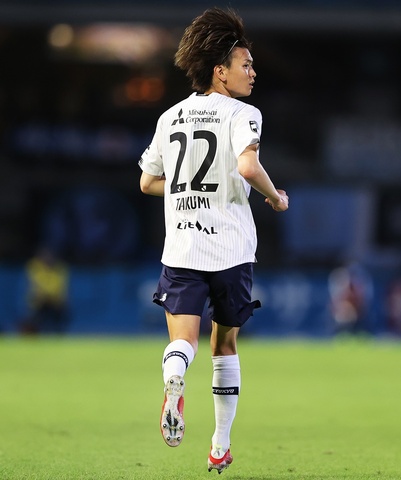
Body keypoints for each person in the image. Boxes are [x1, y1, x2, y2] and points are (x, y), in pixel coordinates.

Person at [138, 7, 289, 474]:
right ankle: (220, 445)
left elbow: (147, 182)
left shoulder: (170, 117)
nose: (253, 72)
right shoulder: (244, 113)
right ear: (221, 71)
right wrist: (275, 197)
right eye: (246, 64)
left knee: (182, 341)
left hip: (183, 246)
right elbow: (247, 167)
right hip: (231, 249)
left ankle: (174, 379)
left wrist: (186, 185)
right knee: (224, 346)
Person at [21, 248, 69, 334]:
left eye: (50, 256)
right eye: (45, 256)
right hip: (38, 301)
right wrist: (44, 296)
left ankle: (58, 333)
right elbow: (36, 285)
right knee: (34, 313)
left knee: (62, 312)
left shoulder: (60, 269)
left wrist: (53, 297)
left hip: (55, 301)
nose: (48, 258)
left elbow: (60, 287)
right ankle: (32, 332)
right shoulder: (35, 267)